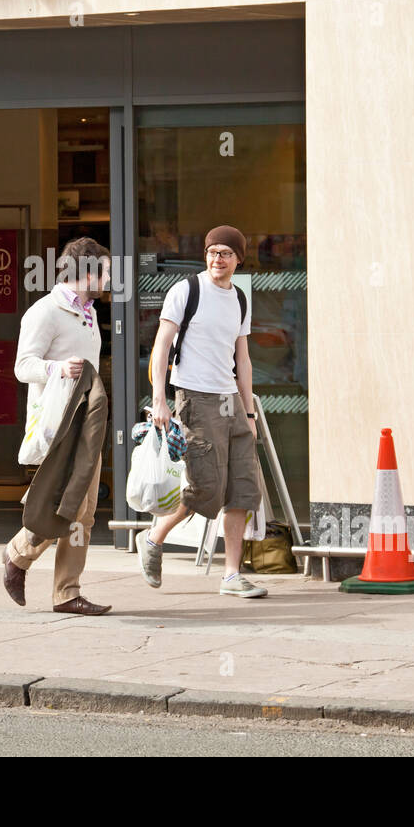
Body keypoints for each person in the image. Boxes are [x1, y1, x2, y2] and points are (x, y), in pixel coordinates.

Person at [138, 225, 268, 598]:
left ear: (238, 259)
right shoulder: (187, 290)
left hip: (231, 401)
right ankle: (155, 536)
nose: (218, 259)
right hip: (195, 398)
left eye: (226, 253)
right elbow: (162, 344)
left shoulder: (240, 299)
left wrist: (248, 412)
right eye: (213, 252)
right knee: (206, 488)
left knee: (243, 488)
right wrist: (160, 399)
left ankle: (230, 576)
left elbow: (242, 358)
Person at [3, 237, 112, 615]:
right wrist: (57, 368)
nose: (110, 279)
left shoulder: (88, 311)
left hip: (88, 423)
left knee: (85, 512)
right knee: (65, 503)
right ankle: (18, 554)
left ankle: (67, 592)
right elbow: (22, 366)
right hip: (60, 426)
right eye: (106, 271)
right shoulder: (44, 312)